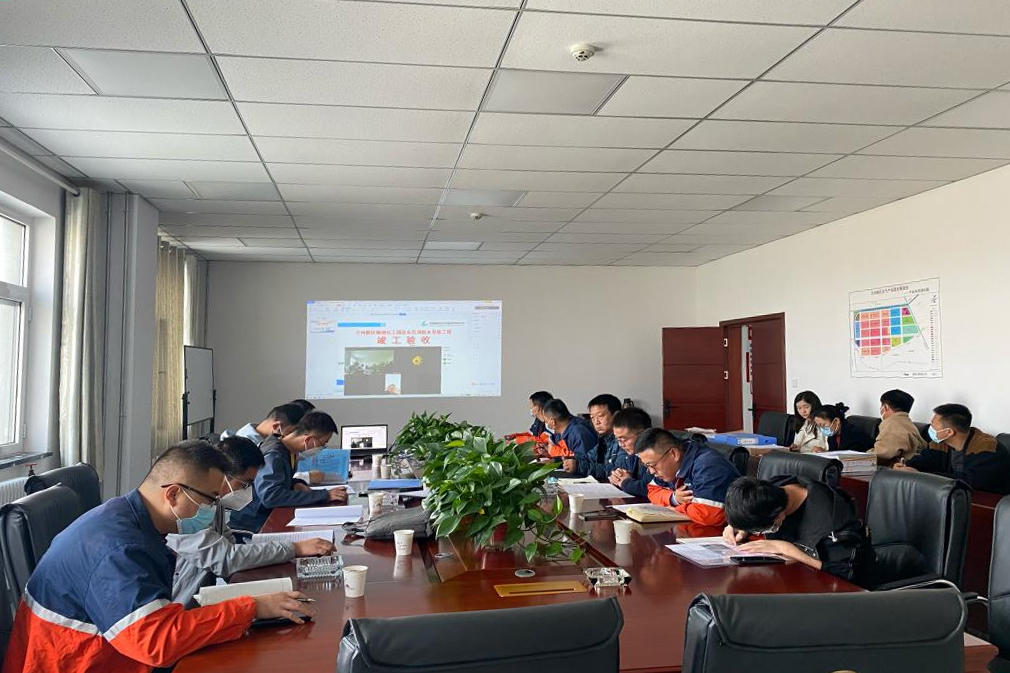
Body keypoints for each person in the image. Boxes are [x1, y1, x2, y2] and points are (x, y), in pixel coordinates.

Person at [2, 441, 314, 673]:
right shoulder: (118, 547)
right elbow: (156, 642)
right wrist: (251, 607)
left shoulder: (127, 518)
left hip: (110, 654)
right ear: (173, 493)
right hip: (81, 663)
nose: (213, 508)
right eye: (210, 499)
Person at [168, 436, 336, 606]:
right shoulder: (186, 511)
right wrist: (295, 548)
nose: (248, 490)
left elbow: (231, 546)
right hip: (183, 608)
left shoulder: (215, 505)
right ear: (223, 476)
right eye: (246, 483)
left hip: (203, 599)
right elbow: (226, 559)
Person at [722, 476, 873, 586]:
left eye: (760, 529)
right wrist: (739, 526)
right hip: (784, 580)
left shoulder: (831, 520)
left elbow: (846, 576)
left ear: (779, 516)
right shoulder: (771, 489)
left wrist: (784, 548)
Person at [228, 411, 348, 533]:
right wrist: (325, 495)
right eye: (322, 444)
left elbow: (280, 478)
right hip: (253, 524)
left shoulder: (287, 450)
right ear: (309, 440)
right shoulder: (273, 455)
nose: (321, 448)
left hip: (266, 516)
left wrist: (296, 483)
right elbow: (271, 497)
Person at [635, 428, 741, 526]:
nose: (651, 471)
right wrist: (673, 498)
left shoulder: (707, 464)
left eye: (652, 465)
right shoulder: (670, 468)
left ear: (674, 454)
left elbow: (708, 514)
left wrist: (676, 508)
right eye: (647, 466)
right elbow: (652, 490)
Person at [896, 403, 1010, 494]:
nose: (930, 427)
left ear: (949, 432)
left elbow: (969, 481)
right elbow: (924, 460)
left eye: (933, 424)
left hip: (990, 502)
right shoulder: (940, 443)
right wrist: (906, 466)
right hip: (952, 494)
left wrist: (921, 475)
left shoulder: (988, 448)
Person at [543, 399, 599, 477]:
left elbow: (585, 461)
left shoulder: (578, 432)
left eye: (546, 421)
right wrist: (554, 461)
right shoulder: (563, 430)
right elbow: (571, 457)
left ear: (553, 421)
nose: (545, 424)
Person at [871, 389, 926, 466]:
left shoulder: (893, 425)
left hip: (897, 470)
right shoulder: (908, 424)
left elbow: (880, 455)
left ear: (885, 407)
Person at [608, 407, 652, 498]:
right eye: (618, 440)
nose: (621, 445)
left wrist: (625, 482)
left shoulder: (656, 454)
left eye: (624, 439)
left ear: (643, 434)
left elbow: (650, 489)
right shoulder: (632, 454)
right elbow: (621, 472)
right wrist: (617, 477)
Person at [220, 403, 305, 448]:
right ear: (276, 427)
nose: (293, 436)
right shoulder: (246, 448)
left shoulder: (264, 439)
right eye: (290, 432)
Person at [588, 394, 622, 482]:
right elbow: (588, 459)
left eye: (600, 416)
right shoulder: (604, 438)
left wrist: (578, 466)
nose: (596, 422)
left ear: (616, 416)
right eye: (592, 418)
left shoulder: (622, 440)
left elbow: (613, 472)